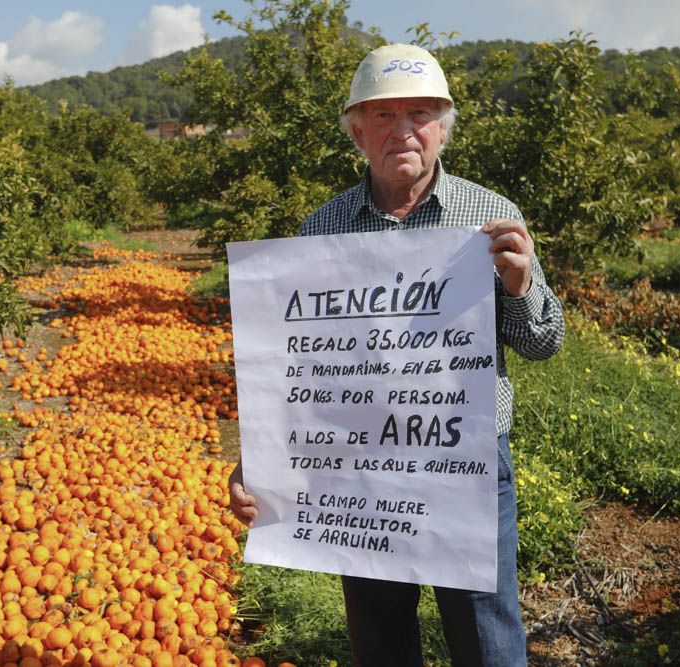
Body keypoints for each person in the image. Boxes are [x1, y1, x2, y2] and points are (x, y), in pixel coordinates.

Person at [228, 42, 565, 667]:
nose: (403, 130)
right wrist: (258, 464)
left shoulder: (491, 216)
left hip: (465, 464)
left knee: (488, 640)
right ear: (357, 132)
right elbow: (292, 369)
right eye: (383, 116)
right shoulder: (320, 231)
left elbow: (543, 343)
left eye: (420, 113)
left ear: (442, 128)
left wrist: (518, 287)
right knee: (380, 641)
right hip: (358, 471)